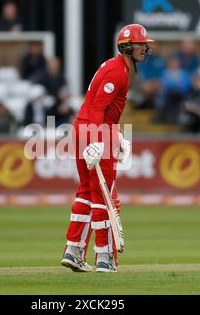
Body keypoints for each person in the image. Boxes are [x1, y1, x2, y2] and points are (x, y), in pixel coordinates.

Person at [61, 24, 154, 273]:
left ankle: (73, 250)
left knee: (86, 192)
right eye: (140, 44)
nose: (144, 48)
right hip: (96, 131)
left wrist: (114, 135)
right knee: (104, 198)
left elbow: (99, 109)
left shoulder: (113, 66)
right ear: (127, 46)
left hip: (84, 130)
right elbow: (98, 108)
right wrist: (99, 141)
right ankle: (105, 258)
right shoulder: (118, 72)